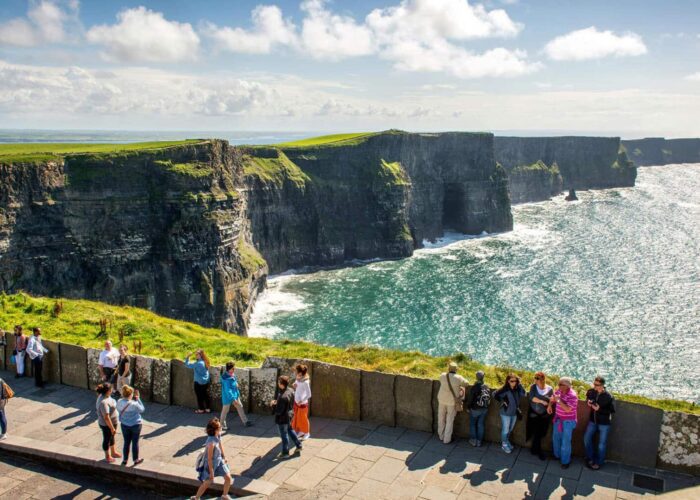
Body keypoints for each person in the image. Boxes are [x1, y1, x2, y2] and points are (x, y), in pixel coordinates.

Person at [194, 418, 232, 500]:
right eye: (219, 427)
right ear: (215, 430)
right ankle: (197, 497)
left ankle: (224, 495)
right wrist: (211, 472)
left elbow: (221, 445)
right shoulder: (211, 443)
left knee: (228, 478)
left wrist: (224, 457)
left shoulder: (218, 435)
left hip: (219, 460)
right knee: (208, 481)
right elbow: (209, 459)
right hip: (211, 464)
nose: (221, 427)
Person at [584, 376, 615, 470]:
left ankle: (599, 462)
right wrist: (588, 402)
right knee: (586, 439)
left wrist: (599, 409)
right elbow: (588, 398)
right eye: (594, 384)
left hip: (604, 423)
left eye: (597, 385)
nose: (595, 386)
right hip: (593, 421)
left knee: (601, 445)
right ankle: (590, 457)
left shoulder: (609, 396)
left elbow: (612, 411)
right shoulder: (592, 391)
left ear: (602, 385)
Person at [548, 376, 578, 469]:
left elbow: (568, 409)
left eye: (561, 384)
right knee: (556, 438)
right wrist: (549, 405)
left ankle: (565, 461)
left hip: (568, 422)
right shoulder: (559, 391)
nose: (558, 385)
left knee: (565, 442)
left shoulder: (572, 396)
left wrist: (558, 400)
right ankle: (557, 455)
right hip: (558, 419)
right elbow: (553, 398)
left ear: (567, 386)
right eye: (559, 383)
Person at [271, 376, 302, 458]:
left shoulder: (282, 397)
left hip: (282, 419)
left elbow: (278, 411)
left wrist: (273, 405)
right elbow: (288, 402)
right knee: (290, 430)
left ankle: (285, 453)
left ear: (281, 384)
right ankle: (299, 445)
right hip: (290, 415)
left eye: (279, 382)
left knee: (284, 435)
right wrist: (278, 402)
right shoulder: (291, 390)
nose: (278, 383)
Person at [437, 362, 468, 444]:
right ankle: (446, 439)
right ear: (456, 369)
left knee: (441, 418)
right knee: (449, 420)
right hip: (451, 402)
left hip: (441, 399)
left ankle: (441, 435)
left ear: (448, 369)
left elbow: (440, 379)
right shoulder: (458, 378)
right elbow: (466, 383)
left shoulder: (443, 375)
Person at [494, 373, 526, 454]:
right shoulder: (505, 389)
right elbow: (494, 394)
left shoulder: (517, 389)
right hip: (505, 413)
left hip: (514, 413)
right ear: (508, 381)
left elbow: (524, 394)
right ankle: (504, 444)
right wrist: (503, 401)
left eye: (515, 381)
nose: (514, 382)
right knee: (505, 430)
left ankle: (507, 441)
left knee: (510, 429)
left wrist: (520, 384)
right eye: (512, 381)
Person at [116, 384, 145, 467]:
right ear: (130, 394)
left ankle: (125, 460)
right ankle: (136, 459)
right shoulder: (134, 404)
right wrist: (138, 398)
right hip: (135, 424)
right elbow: (142, 409)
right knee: (135, 442)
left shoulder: (119, 402)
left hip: (124, 424)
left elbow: (118, 409)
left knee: (126, 442)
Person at [527, 371, 553, 460]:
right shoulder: (533, 387)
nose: (535, 379)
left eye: (537, 378)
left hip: (544, 415)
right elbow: (531, 398)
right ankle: (538, 451)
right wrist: (542, 401)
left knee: (542, 433)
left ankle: (534, 449)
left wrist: (549, 406)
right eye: (535, 377)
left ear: (542, 379)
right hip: (534, 414)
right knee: (537, 433)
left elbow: (551, 400)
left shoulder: (549, 389)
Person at [219, 361, 252, 431]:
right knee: (225, 411)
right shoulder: (225, 379)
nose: (234, 369)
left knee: (240, 407)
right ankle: (221, 425)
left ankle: (245, 421)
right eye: (233, 368)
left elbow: (234, 382)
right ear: (229, 369)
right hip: (228, 397)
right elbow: (228, 390)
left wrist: (236, 384)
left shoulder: (232, 374)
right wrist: (234, 399)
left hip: (235, 395)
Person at [95, 383, 121, 463]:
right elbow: (106, 417)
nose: (112, 390)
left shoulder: (105, 396)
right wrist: (112, 428)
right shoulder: (103, 402)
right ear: (108, 391)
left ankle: (113, 452)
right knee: (107, 439)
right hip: (107, 425)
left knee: (111, 437)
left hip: (113, 422)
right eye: (111, 389)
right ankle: (107, 456)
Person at [466, 370, 490, 447]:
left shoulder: (475, 387)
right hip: (484, 408)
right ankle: (479, 441)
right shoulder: (486, 386)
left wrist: (468, 407)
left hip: (475, 409)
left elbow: (470, 399)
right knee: (480, 424)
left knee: (473, 424)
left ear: (476, 377)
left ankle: (473, 440)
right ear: (483, 377)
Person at [185, 350, 211, 414]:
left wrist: (188, 356)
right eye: (195, 354)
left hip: (198, 382)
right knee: (205, 395)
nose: (195, 355)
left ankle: (201, 409)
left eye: (197, 354)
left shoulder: (198, 363)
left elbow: (187, 365)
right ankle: (208, 409)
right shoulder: (205, 362)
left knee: (199, 396)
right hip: (206, 381)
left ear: (201, 355)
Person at [291, 364, 312, 440]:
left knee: (303, 419)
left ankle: (307, 433)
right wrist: (294, 384)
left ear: (300, 373)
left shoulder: (305, 382)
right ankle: (301, 431)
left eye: (296, 371)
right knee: (297, 417)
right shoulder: (298, 377)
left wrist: (301, 400)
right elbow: (296, 383)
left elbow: (309, 394)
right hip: (296, 402)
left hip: (302, 403)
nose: (295, 372)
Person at [0, 376, 11, 440]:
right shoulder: (1, 379)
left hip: (0, 401)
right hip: (3, 400)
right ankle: (3, 433)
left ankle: (3, 434)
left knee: (1, 416)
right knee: (2, 415)